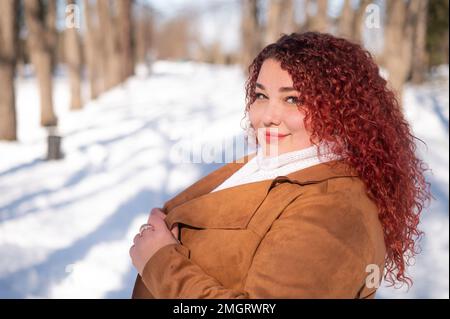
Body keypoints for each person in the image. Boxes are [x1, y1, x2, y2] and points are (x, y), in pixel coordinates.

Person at [129, 32, 431, 299]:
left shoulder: (334, 210)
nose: (268, 116)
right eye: (261, 95)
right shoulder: (276, 163)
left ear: (341, 111)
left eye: (293, 99)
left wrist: (160, 262)